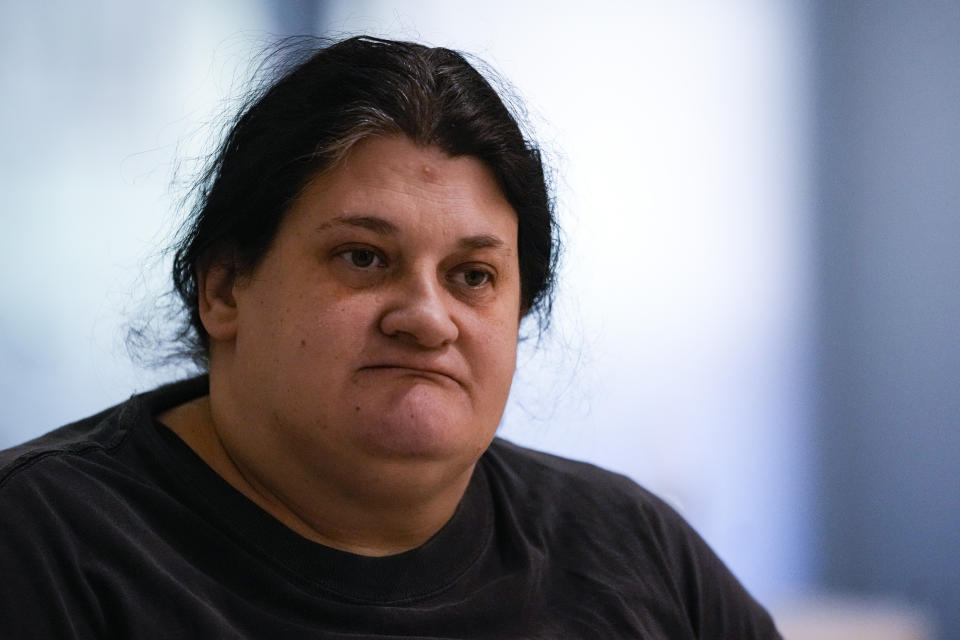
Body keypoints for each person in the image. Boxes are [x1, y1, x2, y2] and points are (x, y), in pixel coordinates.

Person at [0, 36, 782, 638]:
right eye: (363, 258)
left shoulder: (633, 552)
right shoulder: (42, 547)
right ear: (226, 288)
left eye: (473, 275)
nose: (427, 317)